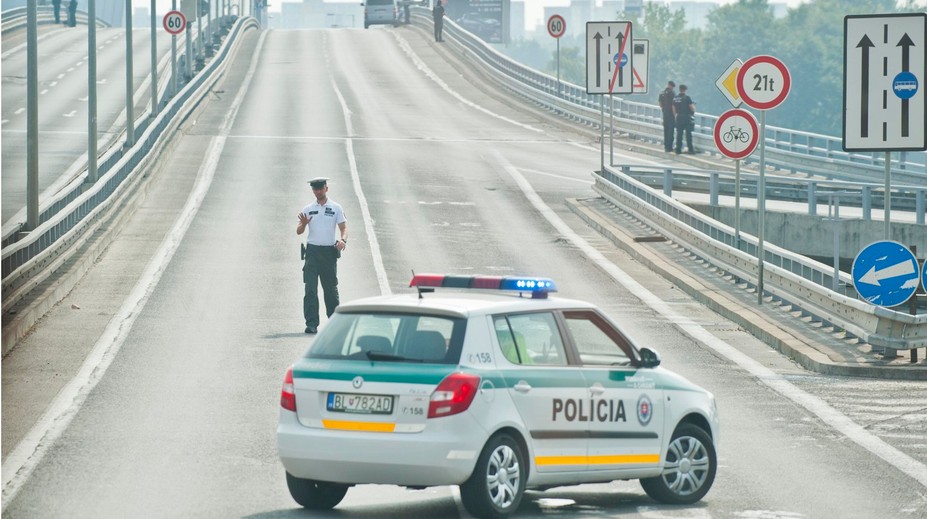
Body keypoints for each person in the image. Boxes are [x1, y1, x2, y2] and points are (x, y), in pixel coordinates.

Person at [296, 177, 347, 334]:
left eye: (320, 188)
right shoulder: (308, 209)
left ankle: (333, 323)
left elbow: (343, 227)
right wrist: (304, 224)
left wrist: (343, 240)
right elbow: (299, 231)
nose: (318, 191)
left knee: (330, 290)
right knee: (310, 289)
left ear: (326, 188)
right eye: (315, 189)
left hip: (328, 253)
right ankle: (311, 323)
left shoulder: (336, 207)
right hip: (312, 253)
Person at [672, 84, 696, 155]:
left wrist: (675, 116)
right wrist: (694, 107)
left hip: (678, 117)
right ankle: (690, 150)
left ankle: (678, 149)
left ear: (679, 89)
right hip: (686, 117)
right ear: (685, 90)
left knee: (679, 134)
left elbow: (673, 108)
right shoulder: (687, 98)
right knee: (688, 134)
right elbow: (692, 108)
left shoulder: (675, 98)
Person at [658, 81, 676, 153]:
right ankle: (669, 147)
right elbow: (673, 105)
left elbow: (660, 104)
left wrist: (664, 109)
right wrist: (675, 115)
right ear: (671, 86)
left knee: (666, 130)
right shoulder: (672, 93)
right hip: (671, 114)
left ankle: (666, 146)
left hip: (665, 113)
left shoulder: (662, 93)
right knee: (671, 131)